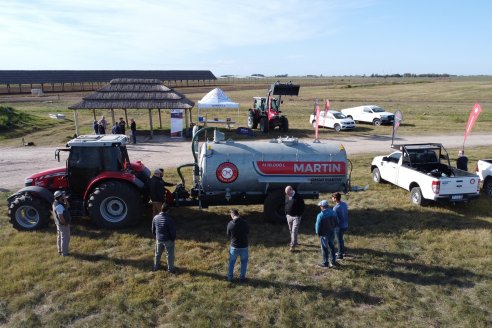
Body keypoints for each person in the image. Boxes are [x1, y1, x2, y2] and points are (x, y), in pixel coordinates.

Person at [227, 209, 250, 282]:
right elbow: (247, 232)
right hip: (244, 246)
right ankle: (242, 278)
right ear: (238, 214)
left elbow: (228, 234)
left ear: (232, 215)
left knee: (231, 262)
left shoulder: (230, 224)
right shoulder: (245, 223)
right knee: (244, 263)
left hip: (234, 247)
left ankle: (230, 278)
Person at [152, 203, 176, 272]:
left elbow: (153, 229)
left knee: (157, 254)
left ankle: (156, 267)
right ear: (168, 210)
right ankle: (170, 269)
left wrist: (157, 237)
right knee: (170, 255)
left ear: (161, 209)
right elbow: (172, 232)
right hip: (168, 240)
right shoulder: (169, 220)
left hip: (158, 239)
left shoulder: (155, 217)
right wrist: (173, 239)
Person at [315, 200, 338, 268]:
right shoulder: (333, 212)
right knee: (332, 246)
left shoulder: (320, 215)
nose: (320, 207)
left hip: (324, 234)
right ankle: (333, 261)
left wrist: (318, 233)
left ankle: (325, 263)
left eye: (320, 206)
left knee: (324, 248)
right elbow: (337, 222)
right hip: (332, 232)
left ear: (322, 206)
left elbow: (318, 226)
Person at [284, 185, 305, 252]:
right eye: (286, 193)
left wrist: (298, 215)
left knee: (294, 231)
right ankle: (295, 241)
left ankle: (292, 246)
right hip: (289, 216)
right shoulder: (287, 196)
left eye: (288, 193)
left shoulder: (298, 197)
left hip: (296, 217)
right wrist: (286, 213)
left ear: (291, 190)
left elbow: (302, 206)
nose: (287, 194)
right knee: (291, 230)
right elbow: (286, 204)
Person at [52, 190, 71, 256]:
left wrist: (65, 199)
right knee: (65, 238)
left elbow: (67, 206)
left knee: (59, 237)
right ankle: (64, 253)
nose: (63, 196)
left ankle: (60, 250)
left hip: (58, 223)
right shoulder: (59, 206)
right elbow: (60, 216)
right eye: (62, 196)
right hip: (62, 224)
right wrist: (65, 223)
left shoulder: (56, 202)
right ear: (60, 197)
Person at [332, 192, 349, 260]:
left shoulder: (335, 208)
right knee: (341, 239)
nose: (332, 198)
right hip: (345, 225)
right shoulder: (344, 204)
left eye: (332, 197)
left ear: (335, 198)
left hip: (339, 227)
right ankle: (342, 252)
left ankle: (340, 255)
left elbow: (335, 219)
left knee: (339, 240)